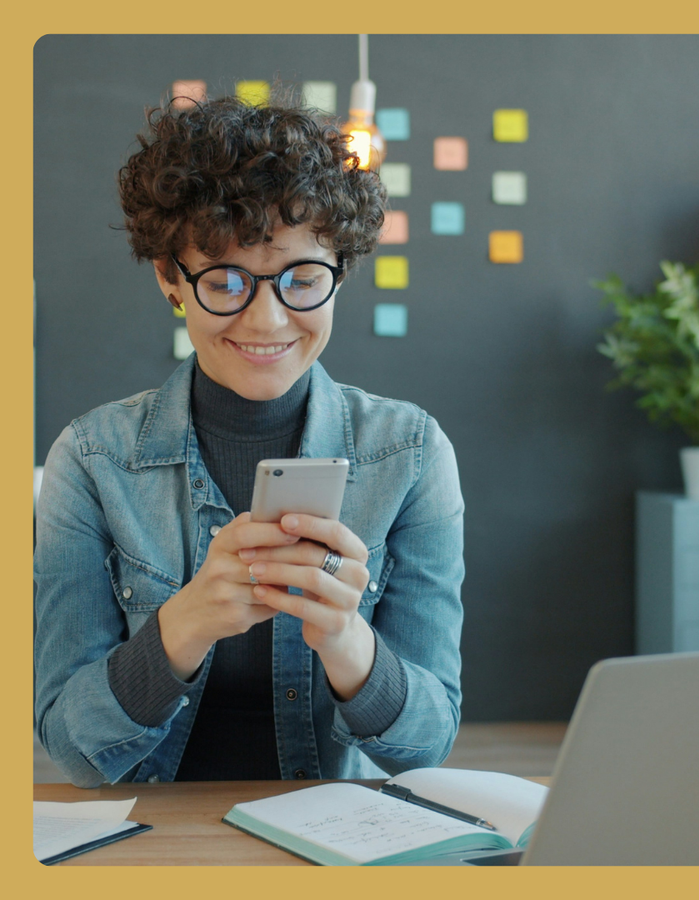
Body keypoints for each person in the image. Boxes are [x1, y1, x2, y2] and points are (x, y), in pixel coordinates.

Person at [33, 93, 464, 788]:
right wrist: (184, 626)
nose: (267, 320)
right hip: (150, 839)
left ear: (339, 274)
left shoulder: (410, 453)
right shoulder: (90, 461)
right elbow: (74, 752)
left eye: (301, 279)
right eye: (226, 280)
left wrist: (347, 643)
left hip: (332, 838)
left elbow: (423, 748)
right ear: (170, 279)